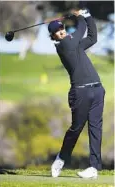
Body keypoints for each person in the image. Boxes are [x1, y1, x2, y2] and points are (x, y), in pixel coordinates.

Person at [48, 9, 105, 179]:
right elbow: (80, 30)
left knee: (96, 128)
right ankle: (61, 159)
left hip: (97, 90)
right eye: (57, 31)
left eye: (62, 28)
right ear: (54, 36)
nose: (61, 31)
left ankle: (94, 168)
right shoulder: (64, 46)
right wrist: (80, 16)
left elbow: (93, 37)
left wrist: (87, 16)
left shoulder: (75, 44)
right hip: (80, 92)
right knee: (76, 128)